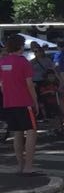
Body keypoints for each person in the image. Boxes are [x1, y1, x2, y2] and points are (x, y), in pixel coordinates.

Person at [1, 34, 38, 175]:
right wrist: (35, 102)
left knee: (17, 133)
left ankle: (20, 165)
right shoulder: (23, 62)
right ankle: (29, 166)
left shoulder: (3, 62)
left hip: (9, 102)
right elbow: (29, 84)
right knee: (31, 132)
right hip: (24, 102)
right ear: (21, 46)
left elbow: (2, 84)